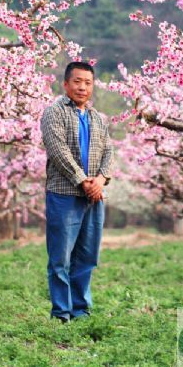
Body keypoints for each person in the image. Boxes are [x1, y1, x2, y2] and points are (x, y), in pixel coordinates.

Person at [40, 61, 114, 323]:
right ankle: (61, 313)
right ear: (66, 84)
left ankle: (81, 310)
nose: (83, 87)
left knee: (87, 256)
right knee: (61, 258)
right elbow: (58, 152)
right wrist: (83, 181)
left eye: (88, 82)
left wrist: (101, 179)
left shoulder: (97, 119)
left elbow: (108, 151)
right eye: (77, 81)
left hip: (94, 197)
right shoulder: (54, 113)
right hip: (64, 194)